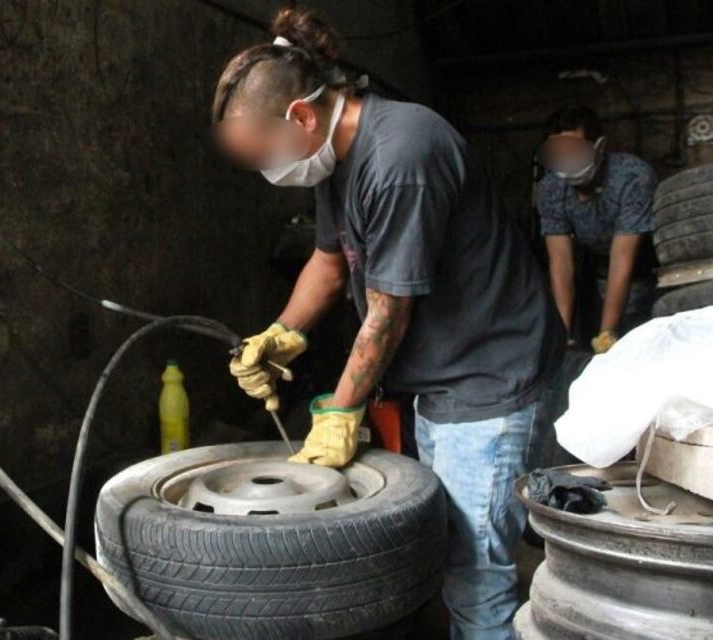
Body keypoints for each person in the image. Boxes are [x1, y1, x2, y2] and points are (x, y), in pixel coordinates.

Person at [212, 8, 565, 640]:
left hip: (489, 375)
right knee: (448, 545)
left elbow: (388, 310)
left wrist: (340, 411)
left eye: (265, 155)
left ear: (301, 117)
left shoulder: (403, 155)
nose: (271, 173)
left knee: (474, 569)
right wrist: (281, 335)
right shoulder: (333, 159)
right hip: (440, 376)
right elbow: (328, 257)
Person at [536, 105, 658, 354]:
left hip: (646, 271)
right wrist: (563, 333)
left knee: (637, 340)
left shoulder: (633, 177)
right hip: (598, 272)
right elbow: (561, 264)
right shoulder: (550, 189)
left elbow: (622, 258)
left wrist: (606, 335)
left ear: (599, 146)